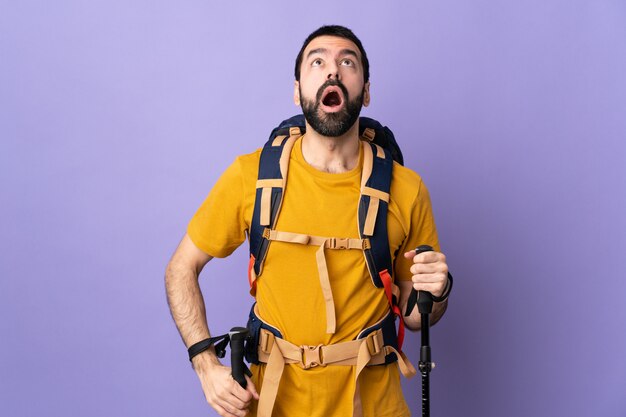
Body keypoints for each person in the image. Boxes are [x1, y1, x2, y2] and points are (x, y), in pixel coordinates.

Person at [165, 25, 450, 417]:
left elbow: (418, 317)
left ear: (365, 91)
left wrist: (438, 290)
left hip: (375, 406)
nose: (332, 71)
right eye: (318, 62)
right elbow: (180, 268)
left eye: (347, 62)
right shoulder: (250, 177)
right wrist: (204, 363)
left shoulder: (407, 189)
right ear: (298, 89)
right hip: (273, 405)